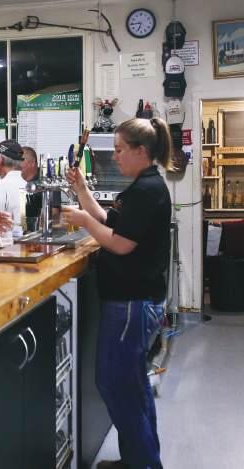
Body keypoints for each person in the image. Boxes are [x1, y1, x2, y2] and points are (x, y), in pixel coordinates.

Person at [64, 118, 171, 469]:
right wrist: (82, 190)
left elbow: (121, 244)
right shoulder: (143, 186)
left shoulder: (146, 190)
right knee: (132, 386)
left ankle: (143, 464)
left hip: (131, 303)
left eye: (121, 150)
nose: (116, 156)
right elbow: (110, 222)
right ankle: (139, 460)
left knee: (115, 384)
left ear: (141, 151)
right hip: (133, 300)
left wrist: (82, 221)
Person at [20, 146, 61, 232]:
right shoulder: (15, 179)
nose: (17, 164)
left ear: (32, 163)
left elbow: (54, 212)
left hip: (40, 231)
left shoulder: (47, 181)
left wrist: (39, 227)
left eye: (21, 160)